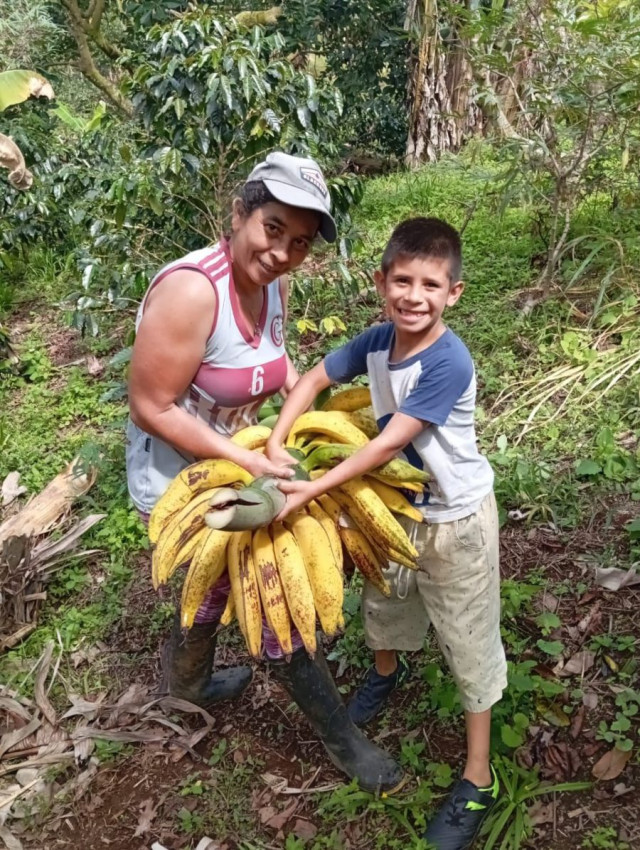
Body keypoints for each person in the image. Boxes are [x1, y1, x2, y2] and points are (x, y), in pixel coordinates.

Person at [125, 151, 404, 795]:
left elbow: (271, 369)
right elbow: (150, 405)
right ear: (239, 214)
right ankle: (343, 740)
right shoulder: (193, 292)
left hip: (242, 460)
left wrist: (297, 427)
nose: (282, 252)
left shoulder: (272, 282)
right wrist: (250, 460)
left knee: (216, 581)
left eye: (300, 242)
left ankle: (186, 684)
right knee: (270, 585)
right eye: (272, 228)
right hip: (183, 479)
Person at [267, 217, 507, 849]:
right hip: (396, 511)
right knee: (384, 602)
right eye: (402, 281)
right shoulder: (377, 341)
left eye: (431, 285)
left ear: (453, 293)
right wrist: (276, 439)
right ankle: (385, 672)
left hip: (455, 522)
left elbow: (387, 443)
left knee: (469, 639)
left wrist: (309, 490)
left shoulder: (448, 361)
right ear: (381, 282)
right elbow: (315, 378)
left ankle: (478, 776)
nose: (414, 296)